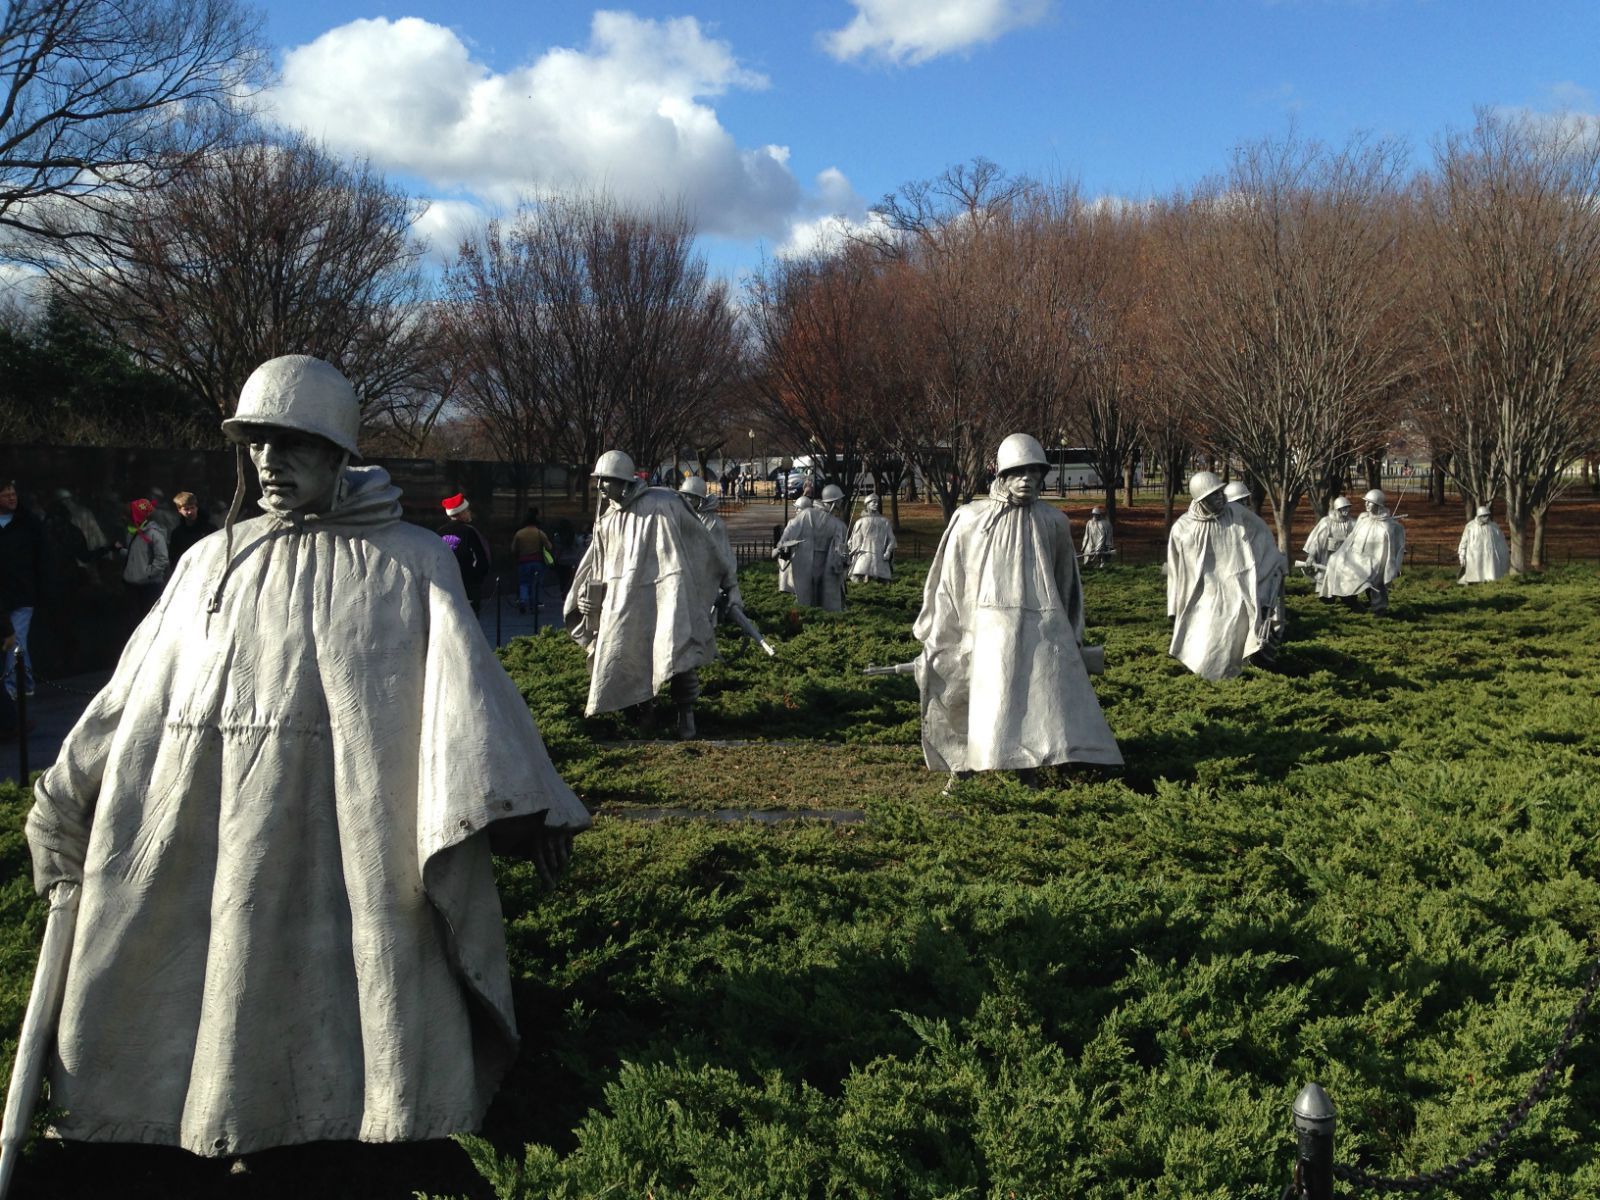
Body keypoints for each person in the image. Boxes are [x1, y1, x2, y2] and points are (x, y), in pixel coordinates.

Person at [23, 354, 589, 1160]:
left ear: (339, 454)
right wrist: (65, 793)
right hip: (208, 835)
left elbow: (470, 703)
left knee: (351, 1001)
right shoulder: (207, 563)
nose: (269, 463)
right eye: (256, 444)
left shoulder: (411, 563)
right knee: (214, 979)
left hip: (352, 843)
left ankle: (358, 1126)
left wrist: (535, 808)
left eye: (292, 444)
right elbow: (132, 695)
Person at [914, 433, 1121, 789]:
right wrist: (942, 630)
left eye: (1034, 472)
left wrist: (1071, 631)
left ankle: (1028, 770)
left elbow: (1067, 581)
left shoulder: (1053, 521)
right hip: (987, 625)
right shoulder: (969, 518)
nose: (1027, 479)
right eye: (1019, 472)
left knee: (1035, 702)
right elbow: (949, 580)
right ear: (1003, 476)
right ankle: (962, 768)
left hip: (1042, 624)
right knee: (977, 697)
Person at [564, 451, 729, 740]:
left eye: (607, 480)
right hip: (624, 602)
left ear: (624, 481)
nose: (601, 486)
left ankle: (685, 714)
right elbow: (597, 566)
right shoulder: (607, 520)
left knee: (679, 654)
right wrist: (585, 598)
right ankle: (643, 711)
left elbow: (701, 544)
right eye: (599, 480)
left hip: (669, 593)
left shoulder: (664, 503)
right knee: (628, 655)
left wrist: (729, 584)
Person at [1165, 471, 1267, 680]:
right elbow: (1175, 570)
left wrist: (1272, 565)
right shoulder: (1182, 528)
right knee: (1204, 642)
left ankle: (1226, 681)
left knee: (1231, 640)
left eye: (1221, 492)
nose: (1221, 498)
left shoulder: (1237, 515)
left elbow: (1262, 535)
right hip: (1201, 596)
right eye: (1213, 495)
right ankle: (1210, 684)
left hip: (1236, 590)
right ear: (1201, 499)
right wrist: (1173, 606)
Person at [1222, 481, 1287, 647]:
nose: (1242, 506)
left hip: (1258, 579)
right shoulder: (1224, 525)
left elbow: (1266, 552)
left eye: (1244, 501)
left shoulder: (1255, 525)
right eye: (1239, 502)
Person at [1320, 488, 1405, 614]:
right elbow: (1351, 539)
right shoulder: (1363, 519)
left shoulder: (1387, 526)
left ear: (1378, 505)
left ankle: (1374, 606)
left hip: (1374, 562)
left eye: (1369, 502)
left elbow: (1390, 550)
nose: (1366, 504)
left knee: (1356, 572)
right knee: (1335, 560)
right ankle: (1342, 598)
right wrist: (1340, 554)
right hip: (1356, 557)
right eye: (1366, 501)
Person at [773, 483, 848, 610]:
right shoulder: (810, 516)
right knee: (808, 599)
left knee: (820, 600)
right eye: (839, 500)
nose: (841, 503)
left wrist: (844, 558)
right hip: (810, 563)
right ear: (834, 502)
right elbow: (790, 531)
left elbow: (840, 550)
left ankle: (813, 619)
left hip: (824, 565)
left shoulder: (836, 524)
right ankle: (807, 619)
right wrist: (781, 545)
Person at [0, 478, 42, 700]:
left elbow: (40, 555)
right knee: (16, 641)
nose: (11, 498)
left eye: (13, 494)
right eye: (6, 494)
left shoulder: (27, 522)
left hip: (22, 592)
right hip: (4, 593)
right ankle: (24, 682)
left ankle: (13, 685)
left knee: (16, 640)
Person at [679, 475, 743, 614]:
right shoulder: (684, 517)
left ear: (700, 499)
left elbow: (723, 555)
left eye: (691, 496)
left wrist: (730, 585)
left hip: (706, 579)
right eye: (685, 496)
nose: (687, 500)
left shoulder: (714, 524)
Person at [438, 492, 491, 613]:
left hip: (446, 584)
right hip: (468, 585)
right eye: (467, 510)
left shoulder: (440, 532)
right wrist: (477, 579)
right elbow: (481, 558)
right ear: (461, 513)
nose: (469, 512)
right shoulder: (470, 532)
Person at [120, 497, 169, 621]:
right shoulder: (132, 532)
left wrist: (147, 574)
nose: (124, 518)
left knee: (147, 619)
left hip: (149, 587)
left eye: (128, 515)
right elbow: (137, 555)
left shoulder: (154, 534)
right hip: (133, 586)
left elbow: (162, 559)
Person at [1300, 496, 1354, 586]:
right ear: (1337, 509)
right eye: (1343, 508)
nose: (1346, 510)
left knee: (1347, 592)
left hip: (1346, 561)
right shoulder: (1326, 522)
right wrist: (1311, 556)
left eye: (1347, 507)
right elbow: (1316, 542)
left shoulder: (1353, 523)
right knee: (1327, 591)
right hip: (1327, 559)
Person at [511, 508, 556, 615]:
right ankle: (533, 604)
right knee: (535, 584)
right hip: (537, 562)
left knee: (523, 583)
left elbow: (513, 549)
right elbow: (549, 546)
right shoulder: (539, 533)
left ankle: (523, 600)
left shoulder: (519, 534)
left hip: (523, 562)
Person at [848, 493, 896, 582]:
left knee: (883, 581)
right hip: (863, 556)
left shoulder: (884, 522)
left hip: (880, 557)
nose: (876, 504)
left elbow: (892, 539)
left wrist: (888, 551)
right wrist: (853, 549)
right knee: (858, 578)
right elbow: (854, 542)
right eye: (873, 502)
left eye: (877, 502)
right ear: (867, 505)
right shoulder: (860, 522)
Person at [1457, 504, 1509, 584]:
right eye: (1484, 515)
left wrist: (1504, 553)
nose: (1487, 517)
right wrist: (1462, 555)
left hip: (1490, 557)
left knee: (1490, 574)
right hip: (1474, 556)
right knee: (1475, 575)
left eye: (1487, 515)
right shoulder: (1470, 527)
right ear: (1479, 516)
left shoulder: (1494, 526)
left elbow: (1500, 541)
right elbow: (1464, 542)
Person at [168, 491, 217, 564]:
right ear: (179, 510)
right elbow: (174, 559)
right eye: (186, 509)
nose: (190, 512)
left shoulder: (210, 529)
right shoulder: (177, 534)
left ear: (196, 507)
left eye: (192, 508)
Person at [776, 495, 810, 597]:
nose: (795, 510)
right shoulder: (792, 522)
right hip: (795, 556)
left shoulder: (812, 524)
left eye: (797, 508)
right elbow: (783, 542)